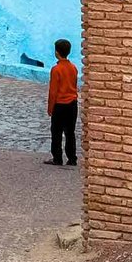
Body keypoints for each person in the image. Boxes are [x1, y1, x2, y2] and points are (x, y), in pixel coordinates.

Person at [44, 38, 78, 167]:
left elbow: (53, 91)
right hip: (72, 104)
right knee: (70, 133)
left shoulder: (56, 69)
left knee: (56, 132)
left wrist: (50, 108)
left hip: (60, 105)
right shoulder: (73, 68)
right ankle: (72, 158)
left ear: (57, 52)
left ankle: (57, 158)